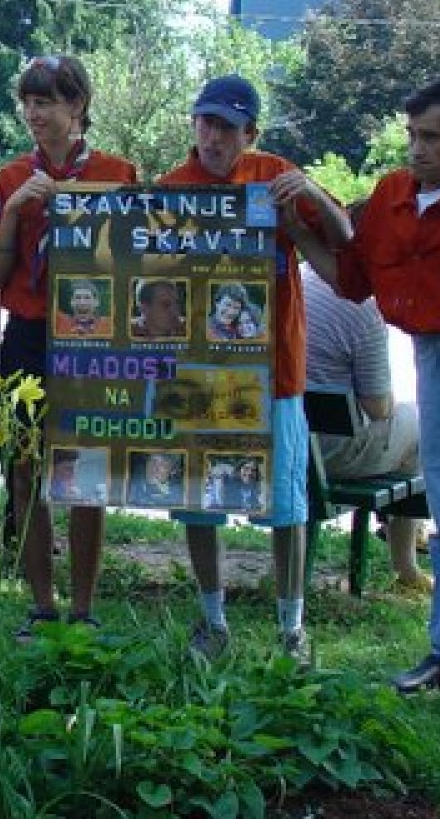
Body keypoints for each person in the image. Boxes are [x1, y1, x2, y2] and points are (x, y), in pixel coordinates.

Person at [303, 77, 440, 693]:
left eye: (431, 136)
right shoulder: (392, 196)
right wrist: (296, 230)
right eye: (411, 134)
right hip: (432, 351)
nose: (416, 148)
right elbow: (349, 280)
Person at [159, 74, 346, 663]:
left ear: (251, 133)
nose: (212, 137)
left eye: (227, 127)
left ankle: (292, 628)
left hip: (275, 370)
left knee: (286, 506)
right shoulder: (169, 188)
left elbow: (344, 237)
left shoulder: (275, 175)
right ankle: (212, 620)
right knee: (198, 500)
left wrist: (312, 193)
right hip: (197, 374)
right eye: (205, 123)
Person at [0, 54, 138, 638]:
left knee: (84, 471)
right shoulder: (9, 178)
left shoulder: (116, 172)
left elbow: (135, 262)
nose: (33, 113)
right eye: (27, 102)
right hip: (27, 334)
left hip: (91, 337)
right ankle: (41, 604)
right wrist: (16, 213)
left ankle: (84, 607)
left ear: (77, 106)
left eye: (45, 101)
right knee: (25, 469)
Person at [301, 260, 430, 592]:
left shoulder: (296, 278)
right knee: (420, 422)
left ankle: (402, 531)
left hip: (278, 443)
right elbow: (379, 407)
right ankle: (405, 565)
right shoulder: (362, 308)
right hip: (326, 456)